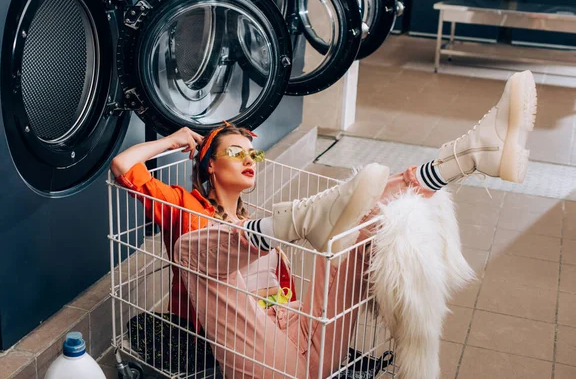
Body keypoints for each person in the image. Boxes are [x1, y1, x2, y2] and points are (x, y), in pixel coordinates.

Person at [110, 70, 537, 378]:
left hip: (302, 344)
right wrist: (171, 140)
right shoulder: (182, 205)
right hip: (253, 354)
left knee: (349, 235)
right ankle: (307, 218)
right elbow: (123, 165)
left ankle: (463, 158)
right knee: (195, 246)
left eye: (251, 154)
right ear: (209, 166)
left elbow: (279, 299)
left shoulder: (254, 224)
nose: (249, 161)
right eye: (236, 153)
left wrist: (285, 302)